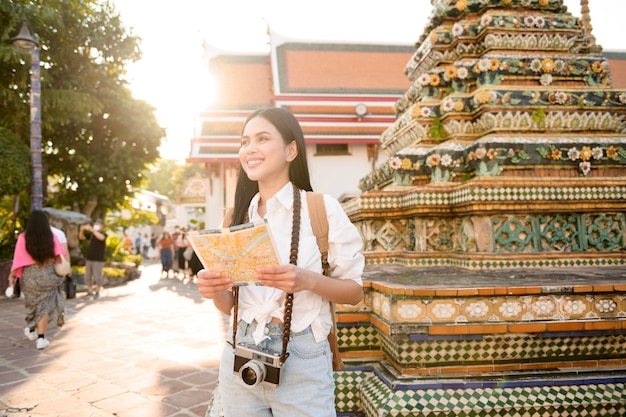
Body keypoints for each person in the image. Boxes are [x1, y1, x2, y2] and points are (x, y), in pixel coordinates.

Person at [196, 107, 364, 417]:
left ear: (291, 150)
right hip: (239, 353)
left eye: (262, 139)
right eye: (245, 141)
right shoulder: (234, 219)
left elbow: (355, 293)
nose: (250, 149)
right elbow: (229, 305)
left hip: (302, 360)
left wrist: (308, 280)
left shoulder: (321, 210)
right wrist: (213, 289)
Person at [8, 210, 67, 349]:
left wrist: (11, 276)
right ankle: (41, 337)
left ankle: (32, 328)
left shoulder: (24, 238)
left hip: (30, 276)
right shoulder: (51, 236)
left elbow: (18, 260)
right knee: (44, 307)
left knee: (33, 305)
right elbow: (59, 256)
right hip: (48, 273)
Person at [79, 219, 108, 299]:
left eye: (98, 224)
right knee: (87, 275)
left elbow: (101, 238)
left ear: (102, 226)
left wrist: (92, 230)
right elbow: (81, 237)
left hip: (98, 259)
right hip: (89, 258)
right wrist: (81, 230)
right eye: (95, 224)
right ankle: (90, 290)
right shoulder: (92, 234)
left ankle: (98, 291)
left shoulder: (103, 234)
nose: (96, 225)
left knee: (97, 275)